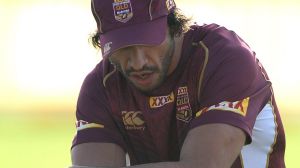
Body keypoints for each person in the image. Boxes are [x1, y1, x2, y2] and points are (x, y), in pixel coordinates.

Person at [70, 0, 286, 167]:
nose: (138, 62)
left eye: (148, 42)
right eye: (123, 48)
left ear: (174, 26)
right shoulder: (101, 87)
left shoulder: (224, 60)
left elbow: (204, 166)